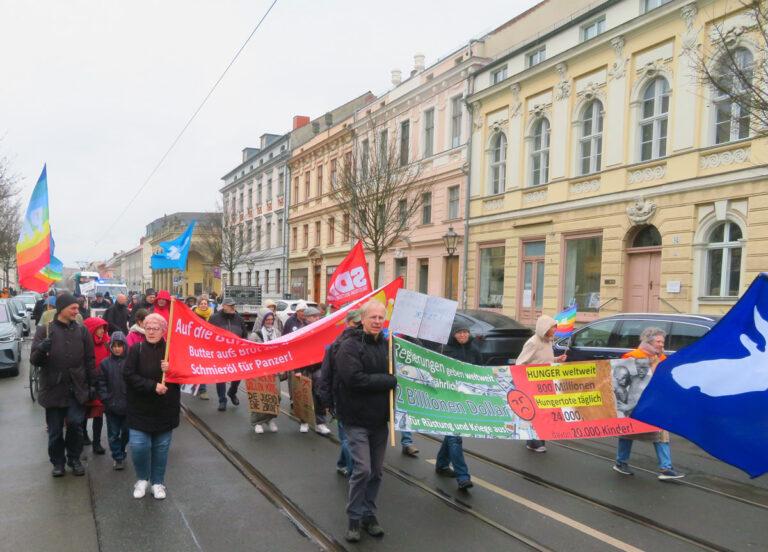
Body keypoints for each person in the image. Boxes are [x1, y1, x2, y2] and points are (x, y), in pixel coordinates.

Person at [335, 301, 397, 542]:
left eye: (381, 317)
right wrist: (388, 380)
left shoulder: (387, 344)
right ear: (362, 318)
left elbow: (399, 373)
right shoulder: (349, 346)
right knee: (363, 469)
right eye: (373, 317)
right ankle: (353, 518)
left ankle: (369, 516)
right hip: (356, 418)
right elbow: (355, 380)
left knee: (377, 472)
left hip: (380, 420)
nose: (377, 321)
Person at [30, 293, 95, 477]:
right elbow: (34, 360)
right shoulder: (45, 331)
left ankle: (74, 459)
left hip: (77, 388)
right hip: (53, 389)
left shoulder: (82, 331)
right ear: (61, 309)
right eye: (73, 308)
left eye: (77, 307)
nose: (77, 311)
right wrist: (42, 348)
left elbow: (89, 360)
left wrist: (92, 385)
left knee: (75, 425)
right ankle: (58, 462)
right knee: (55, 431)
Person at [613, 327, 685, 481]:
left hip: (654, 402)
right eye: (658, 341)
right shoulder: (632, 356)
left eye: (662, 342)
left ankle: (666, 468)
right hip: (635, 403)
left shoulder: (660, 357)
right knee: (628, 432)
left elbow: (665, 375)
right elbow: (626, 378)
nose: (661, 344)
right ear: (649, 341)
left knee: (661, 432)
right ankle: (621, 462)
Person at [124, 313, 180, 500]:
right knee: (139, 446)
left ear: (164, 331)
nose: (151, 331)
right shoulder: (136, 349)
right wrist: (152, 386)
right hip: (140, 408)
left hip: (165, 409)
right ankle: (142, 479)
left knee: (161, 448)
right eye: (148, 328)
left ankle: (157, 482)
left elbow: (184, 376)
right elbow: (128, 375)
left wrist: (171, 369)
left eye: (155, 328)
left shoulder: (172, 351)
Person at [434, 323, 482, 490]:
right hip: (449, 398)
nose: (462, 335)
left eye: (465, 332)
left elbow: (480, 371)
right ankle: (463, 476)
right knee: (455, 436)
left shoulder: (475, 350)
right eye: (459, 333)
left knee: (452, 434)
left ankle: (441, 464)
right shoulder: (445, 350)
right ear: (453, 335)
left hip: (465, 399)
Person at [316, 309, 361, 477]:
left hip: (360, 401)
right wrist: (328, 403)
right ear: (348, 323)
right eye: (357, 323)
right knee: (349, 439)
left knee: (351, 439)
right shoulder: (336, 346)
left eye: (361, 323)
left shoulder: (367, 343)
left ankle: (343, 463)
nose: (360, 327)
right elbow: (325, 377)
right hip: (342, 399)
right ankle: (353, 473)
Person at [516, 314, 567, 453]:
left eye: (555, 327)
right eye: (553, 327)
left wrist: (557, 359)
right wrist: (531, 376)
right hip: (533, 384)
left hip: (546, 384)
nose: (555, 330)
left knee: (544, 413)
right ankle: (533, 442)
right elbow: (520, 363)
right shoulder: (533, 342)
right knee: (535, 413)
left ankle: (539, 440)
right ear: (544, 328)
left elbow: (546, 360)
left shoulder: (548, 341)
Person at [293, 306, 330, 434]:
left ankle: (321, 422)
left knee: (319, 395)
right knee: (304, 395)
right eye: (314, 316)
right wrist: (297, 369)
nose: (317, 318)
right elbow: (296, 352)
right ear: (307, 318)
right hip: (304, 369)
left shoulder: (322, 330)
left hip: (319, 367)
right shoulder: (300, 332)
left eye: (318, 316)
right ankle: (304, 421)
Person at [97, 332, 130, 470]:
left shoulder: (130, 363)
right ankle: (117, 456)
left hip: (128, 406)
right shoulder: (105, 364)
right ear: (110, 347)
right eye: (114, 346)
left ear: (124, 347)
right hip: (111, 406)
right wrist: (106, 399)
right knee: (113, 433)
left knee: (126, 432)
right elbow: (101, 383)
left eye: (120, 346)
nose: (117, 349)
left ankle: (122, 449)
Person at [208, 298, 248, 411]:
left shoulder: (239, 319)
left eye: (234, 305)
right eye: (230, 306)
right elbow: (208, 335)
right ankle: (222, 400)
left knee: (238, 375)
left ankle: (232, 392)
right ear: (224, 306)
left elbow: (244, 335)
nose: (233, 308)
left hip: (236, 354)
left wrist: (243, 347)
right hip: (220, 354)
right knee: (220, 377)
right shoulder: (214, 318)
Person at [248, 310, 283, 434]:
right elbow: (250, 353)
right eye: (267, 320)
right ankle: (257, 422)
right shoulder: (255, 336)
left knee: (276, 396)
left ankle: (269, 419)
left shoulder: (277, 333)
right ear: (262, 320)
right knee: (259, 396)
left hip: (274, 370)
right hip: (260, 370)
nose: (270, 322)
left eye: (271, 320)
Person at [82, 317, 110, 454]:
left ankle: (97, 442)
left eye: (103, 328)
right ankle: (83, 435)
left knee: (99, 414)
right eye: (99, 328)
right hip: (87, 383)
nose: (101, 331)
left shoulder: (106, 342)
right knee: (84, 412)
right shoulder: (84, 345)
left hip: (101, 383)